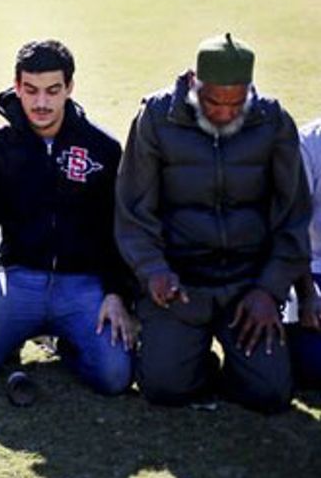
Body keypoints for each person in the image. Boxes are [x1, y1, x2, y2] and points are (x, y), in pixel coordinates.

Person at [117, 33, 311, 414]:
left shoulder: (273, 121)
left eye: (236, 104)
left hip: (246, 285)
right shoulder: (155, 118)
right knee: (164, 388)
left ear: (250, 90)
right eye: (213, 102)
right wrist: (153, 271)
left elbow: (293, 218)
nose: (224, 114)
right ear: (194, 81)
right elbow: (134, 210)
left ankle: (243, 367)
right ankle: (192, 360)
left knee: (270, 395)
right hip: (180, 284)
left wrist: (269, 290)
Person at [0, 40, 134, 395]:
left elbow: (116, 228)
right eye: (31, 90)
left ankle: (66, 344)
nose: (41, 103)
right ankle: (9, 336)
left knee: (115, 377)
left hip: (82, 284)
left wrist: (116, 292)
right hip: (19, 279)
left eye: (53, 90)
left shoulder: (103, 149)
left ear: (69, 87)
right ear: (17, 87)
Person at [291, 120, 321, 390]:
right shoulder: (307, 144)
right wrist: (307, 294)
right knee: (314, 364)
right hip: (314, 271)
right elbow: (291, 230)